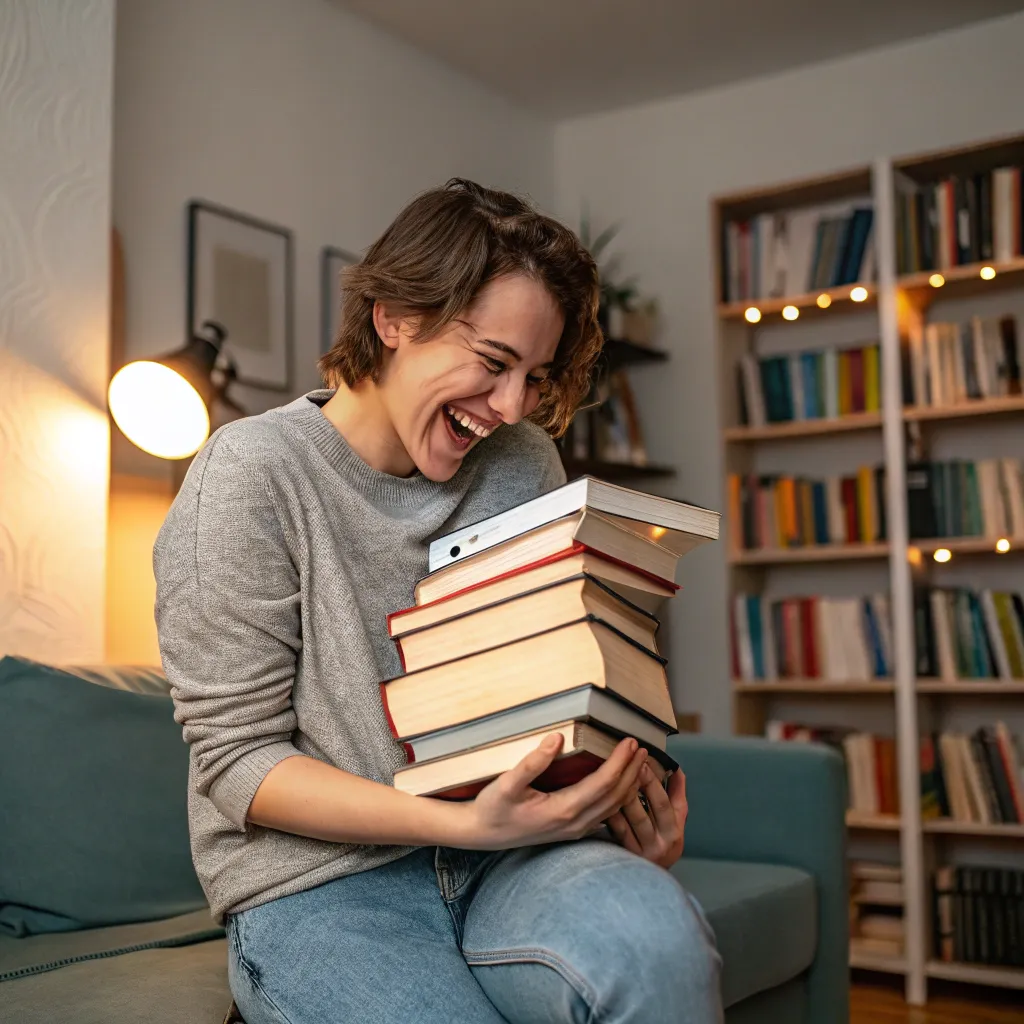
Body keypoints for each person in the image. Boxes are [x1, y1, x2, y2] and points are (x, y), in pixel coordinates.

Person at [154, 178, 722, 1024]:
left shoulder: (523, 462)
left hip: (516, 857)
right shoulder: (250, 475)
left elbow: (543, 686)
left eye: (533, 377)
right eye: (494, 364)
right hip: (324, 887)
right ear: (394, 317)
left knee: (658, 944)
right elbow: (239, 764)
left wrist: (615, 815)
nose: (510, 408)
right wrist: (456, 825)